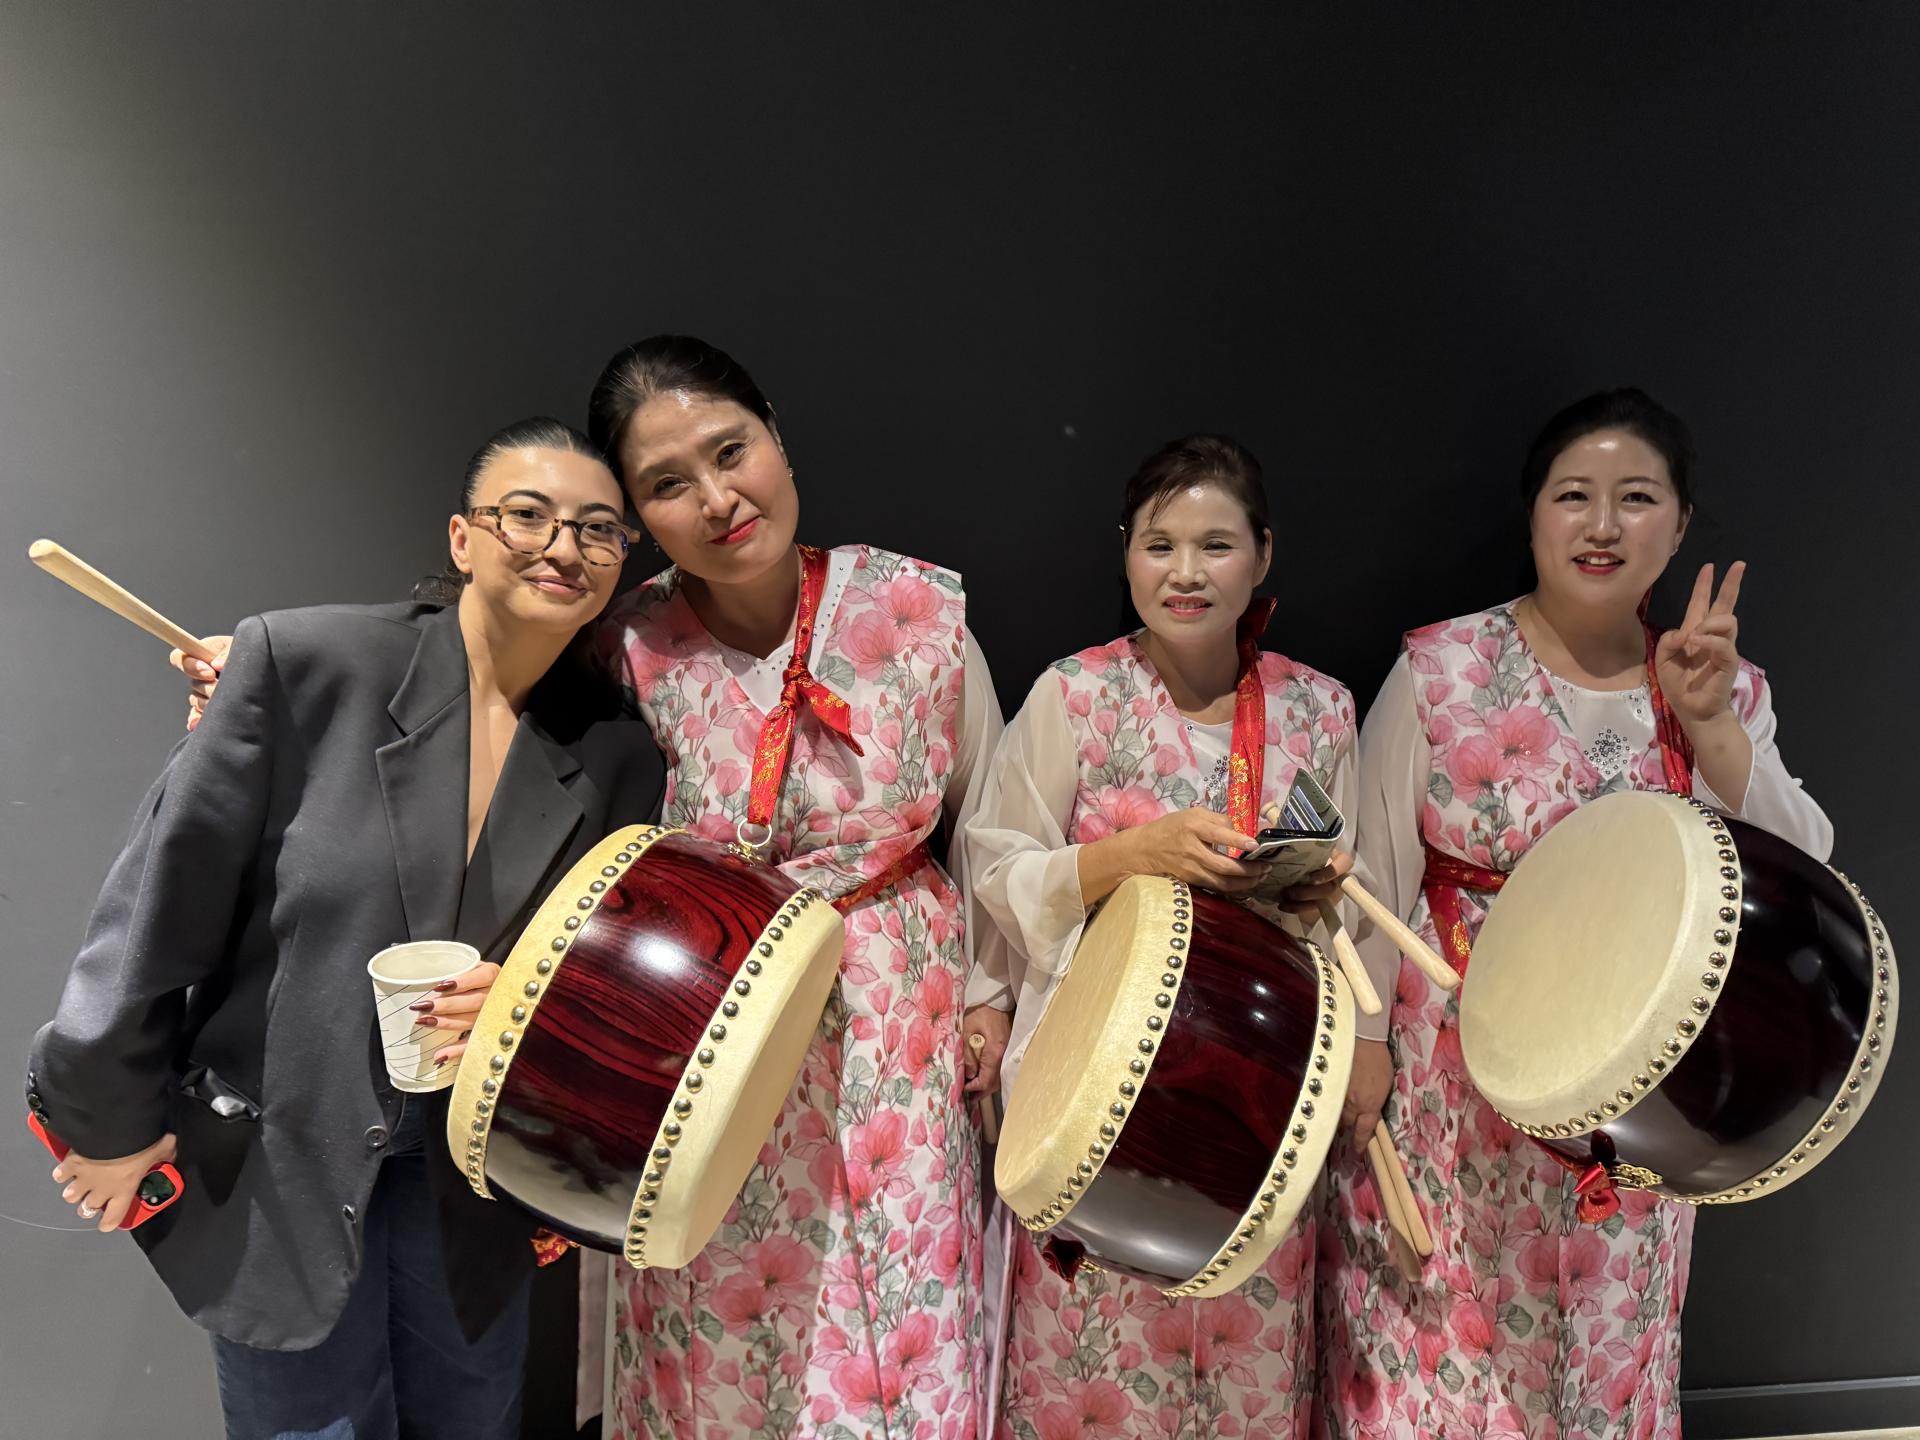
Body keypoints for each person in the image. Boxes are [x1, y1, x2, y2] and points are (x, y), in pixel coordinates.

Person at [28, 419, 664, 1440]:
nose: (563, 547)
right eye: (528, 514)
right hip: (283, 1161)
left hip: (472, 1183)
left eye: (598, 529)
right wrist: (107, 1121)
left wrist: (528, 1002)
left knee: (473, 1420)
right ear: (463, 537)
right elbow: (157, 903)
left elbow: (606, 968)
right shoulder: (307, 665)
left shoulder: (617, 753)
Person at [1314, 388, 1834, 1438]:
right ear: (1533, 514)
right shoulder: (1442, 670)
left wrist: (1711, 724)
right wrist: (1362, 1043)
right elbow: (1368, 870)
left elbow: (1801, 867)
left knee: (1601, 1344)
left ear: (1679, 527)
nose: (1602, 525)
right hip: (1452, 1073)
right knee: (1436, 1340)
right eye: (1573, 496)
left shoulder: (1718, 685)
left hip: (1637, 1086)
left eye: (1636, 498)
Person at [583, 335, 1007, 1440]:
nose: (717, 499)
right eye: (669, 484)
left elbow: (991, 823)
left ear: (774, 430)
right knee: (726, 1335)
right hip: (709, 1043)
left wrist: (992, 994)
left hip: (896, 1030)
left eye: (732, 452)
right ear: (636, 513)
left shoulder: (916, 610)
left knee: (897, 1315)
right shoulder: (628, 648)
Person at [964, 434, 1378, 1439]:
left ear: (1263, 555)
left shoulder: (1319, 708)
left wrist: (1317, 896)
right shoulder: (1074, 694)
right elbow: (997, 869)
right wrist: (1128, 855)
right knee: (1091, 1358)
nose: (1185, 572)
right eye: (1159, 545)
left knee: (1241, 1338)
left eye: (1216, 546)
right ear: (1125, 553)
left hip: (1261, 1091)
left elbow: (1349, 902)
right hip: (1096, 1085)